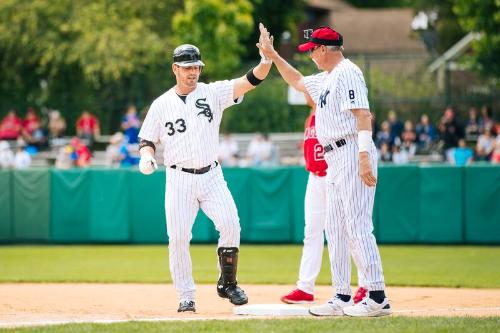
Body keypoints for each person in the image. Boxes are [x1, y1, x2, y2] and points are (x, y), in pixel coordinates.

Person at [137, 24, 273, 313]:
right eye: (187, 67)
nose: (193, 72)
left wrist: (266, 60)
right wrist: (146, 156)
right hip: (179, 178)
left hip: (211, 175)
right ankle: (186, 296)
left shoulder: (213, 92)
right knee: (178, 239)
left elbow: (249, 80)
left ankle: (228, 283)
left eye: (196, 66)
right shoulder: (161, 104)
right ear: (175, 68)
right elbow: (147, 139)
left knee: (231, 223)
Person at [258, 24, 391, 317]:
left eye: (312, 50)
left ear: (322, 49)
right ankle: (341, 296)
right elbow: (298, 81)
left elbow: (363, 115)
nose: (311, 56)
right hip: (334, 158)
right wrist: (273, 56)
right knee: (335, 228)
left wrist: (365, 156)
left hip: (352, 151)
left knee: (356, 225)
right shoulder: (328, 77)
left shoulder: (348, 72)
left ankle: (378, 296)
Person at [280, 92, 367, 305]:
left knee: (347, 231)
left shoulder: (332, 112)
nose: (306, 94)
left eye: (309, 91)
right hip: (314, 178)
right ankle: (305, 288)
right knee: (311, 233)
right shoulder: (311, 115)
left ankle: (367, 284)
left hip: (334, 175)